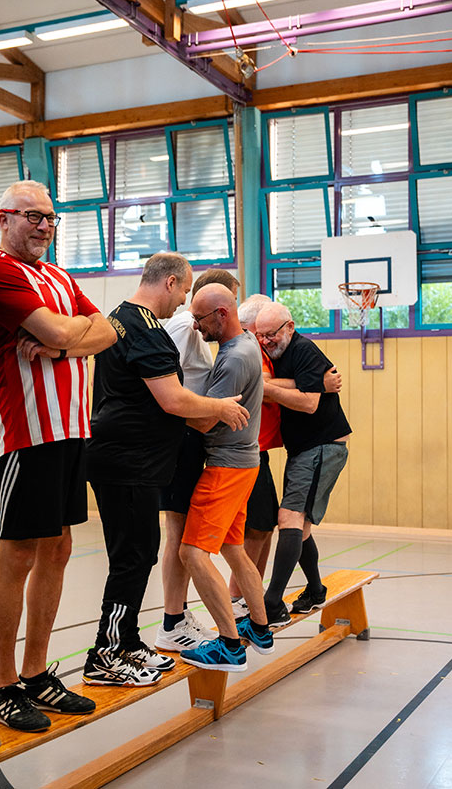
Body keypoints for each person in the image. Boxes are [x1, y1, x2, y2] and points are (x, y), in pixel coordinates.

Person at [0, 180, 116, 732]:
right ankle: (4, 685)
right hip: (26, 432)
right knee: (18, 557)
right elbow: (69, 324)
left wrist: (62, 344)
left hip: (70, 431)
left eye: (50, 218)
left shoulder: (59, 275)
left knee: (57, 550)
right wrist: (69, 332)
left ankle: (37, 674)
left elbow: (108, 331)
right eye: (31, 217)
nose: (42, 226)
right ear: (4, 219)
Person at [83, 253, 249, 687]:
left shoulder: (117, 318)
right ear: (171, 283)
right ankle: (105, 652)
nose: (182, 307)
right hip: (127, 460)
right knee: (132, 558)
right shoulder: (147, 329)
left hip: (132, 458)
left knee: (139, 555)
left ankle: (125, 640)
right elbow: (174, 400)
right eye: (184, 294)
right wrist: (221, 406)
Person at [178, 284, 274, 672]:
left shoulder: (234, 359)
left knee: (191, 553)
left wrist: (163, 404)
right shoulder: (247, 342)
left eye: (200, 320)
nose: (197, 329)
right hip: (244, 462)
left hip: (225, 467)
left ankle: (230, 644)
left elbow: (203, 418)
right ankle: (260, 628)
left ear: (221, 314)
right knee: (233, 548)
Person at [155, 268, 240, 653]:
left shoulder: (195, 332)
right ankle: (171, 621)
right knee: (177, 534)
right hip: (178, 437)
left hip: (189, 438)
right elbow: (158, 379)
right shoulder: (184, 326)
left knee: (182, 531)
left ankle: (178, 613)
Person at [256, 302, 350, 627]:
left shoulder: (304, 350)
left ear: (290, 327)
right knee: (301, 524)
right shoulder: (276, 356)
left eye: (272, 334)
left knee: (290, 517)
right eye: (261, 336)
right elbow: (292, 386)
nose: (266, 341)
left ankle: (271, 602)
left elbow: (309, 403)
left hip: (323, 445)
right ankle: (315, 589)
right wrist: (293, 384)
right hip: (306, 448)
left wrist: (262, 387)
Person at [227, 294, 281, 617]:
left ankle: (251, 592)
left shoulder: (260, 350)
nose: (266, 336)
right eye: (263, 328)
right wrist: (311, 384)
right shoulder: (248, 349)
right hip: (248, 451)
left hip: (261, 452)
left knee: (265, 525)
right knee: (254, 530)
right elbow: (266, 386)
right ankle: (237, 599)